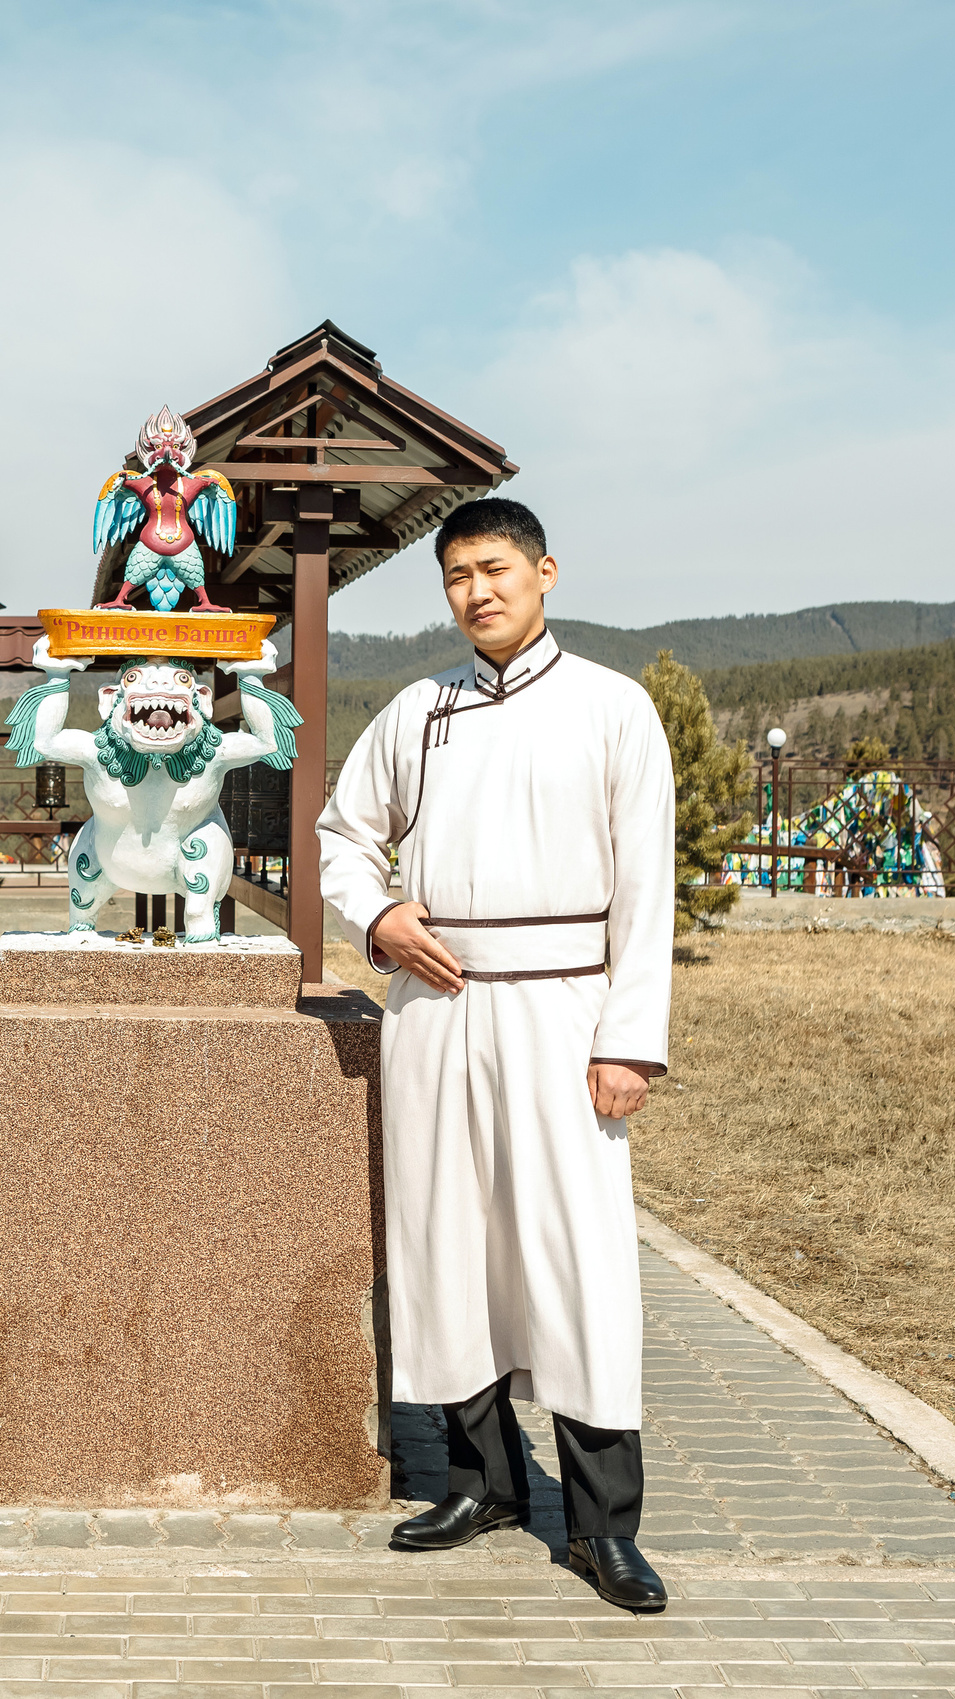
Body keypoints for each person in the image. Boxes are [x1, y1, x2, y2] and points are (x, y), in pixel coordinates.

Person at [316, 498, 676, 1612]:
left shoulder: (613, 709)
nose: (476, 591)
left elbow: (645, 890)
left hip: (566, 1015)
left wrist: (630, 1042)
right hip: (437, 1010)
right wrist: (375, 918)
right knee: (448, 1244)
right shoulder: (418, 713)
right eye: (456, 576)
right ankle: (485, 1482)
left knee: (573, 1263)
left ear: (544, 572)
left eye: (494, 569)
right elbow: (341, 834)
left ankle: (602, 1523)